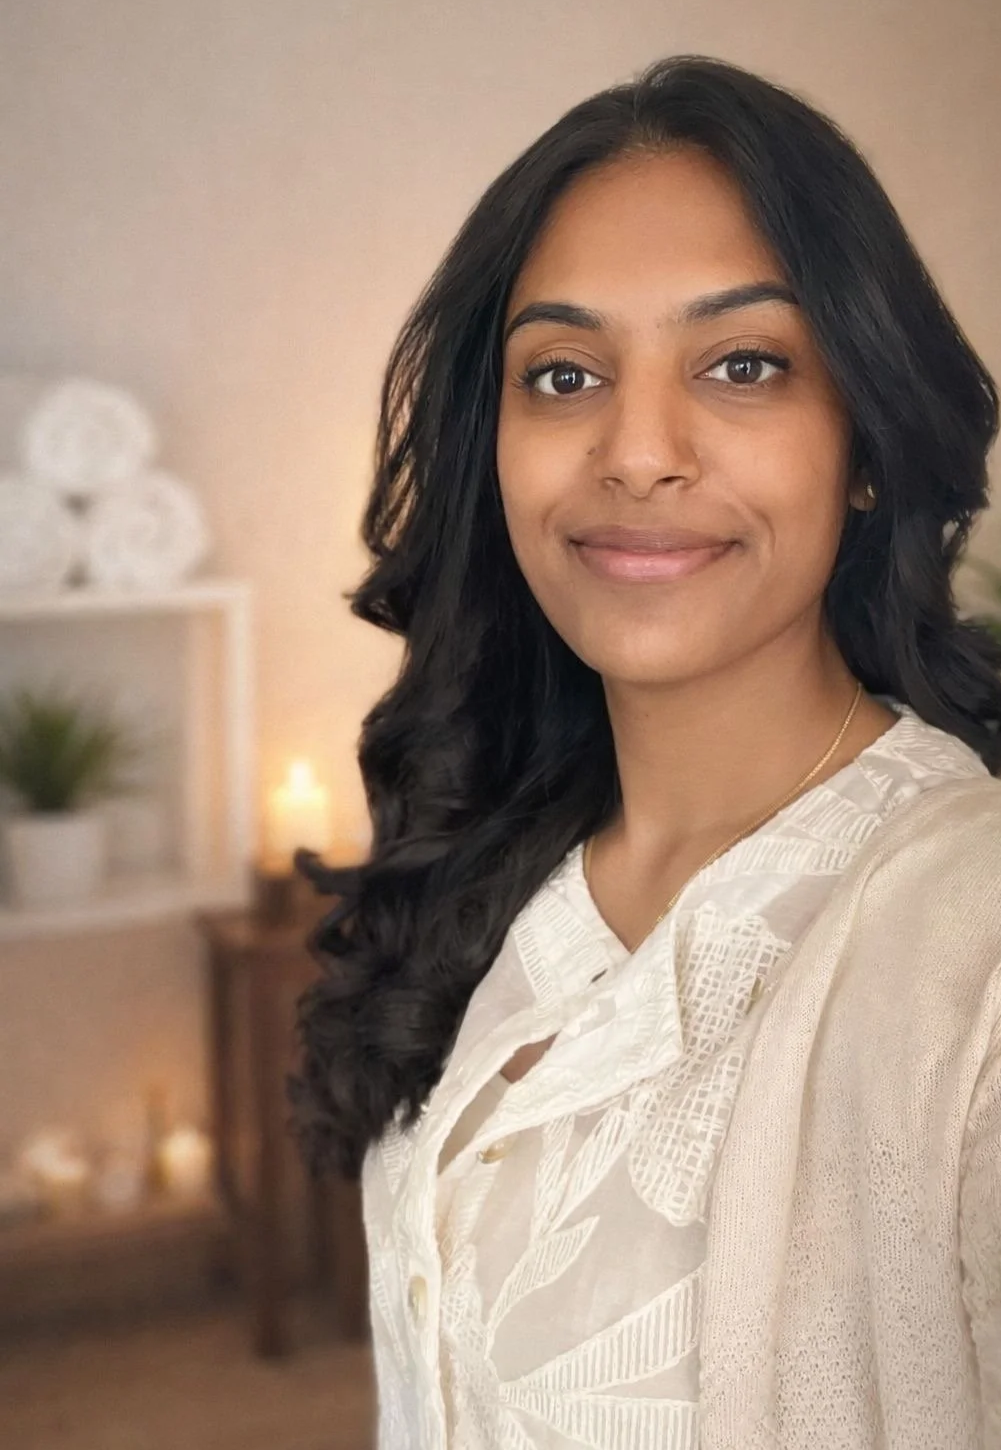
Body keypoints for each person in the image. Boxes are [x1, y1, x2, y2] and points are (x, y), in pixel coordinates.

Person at [291, 54, 1001, 1449]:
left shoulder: (969, 950)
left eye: (743, 364)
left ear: (863, 438)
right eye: (564, 373)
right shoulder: (512, 860)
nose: (638, 449)